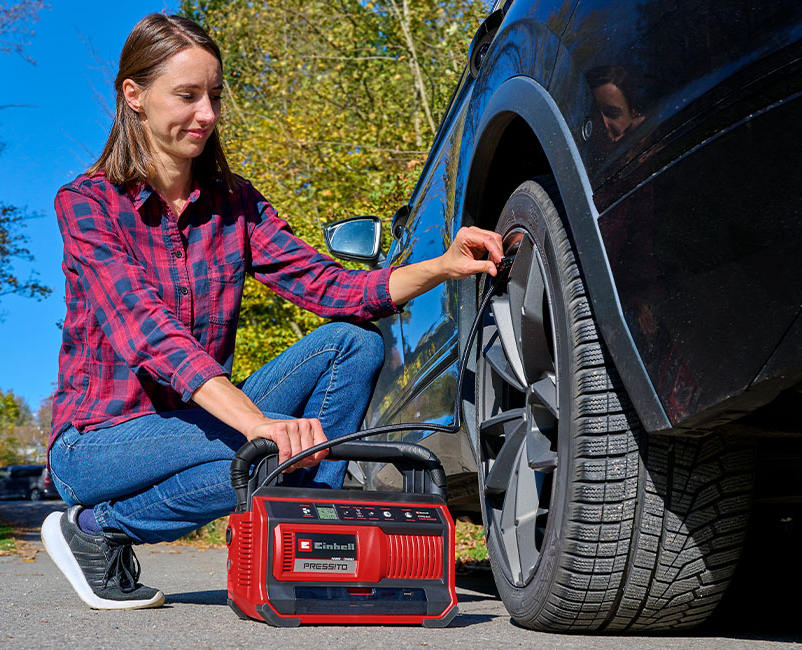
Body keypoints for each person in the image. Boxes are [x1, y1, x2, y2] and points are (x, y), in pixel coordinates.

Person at [40, 12, 504, 611]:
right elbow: (147, 332)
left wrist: (443, 263)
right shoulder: (88, 204)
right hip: (98, 441)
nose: (206, 113)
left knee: (351, 342)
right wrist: (256, 423)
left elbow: (332, 285)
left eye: (213, 95)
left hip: (199, 419)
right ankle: (96, 529)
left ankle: (318, 525)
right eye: (186, 95)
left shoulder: (236, 203)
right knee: (252, 452)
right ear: (134, 95)